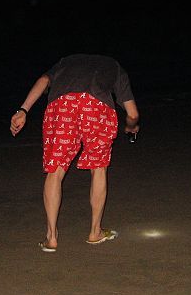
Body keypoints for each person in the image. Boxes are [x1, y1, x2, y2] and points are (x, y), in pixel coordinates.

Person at [10, 54, 140, 252]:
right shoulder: (114, 66)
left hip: (62, 107)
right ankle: (95, 232)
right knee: (99, 168)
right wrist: (131, 127)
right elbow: (133, 114)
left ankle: (51, 237)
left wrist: (23, 110)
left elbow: (43, 80)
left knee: (55, 170)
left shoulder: (65, 62)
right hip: (97, 108)